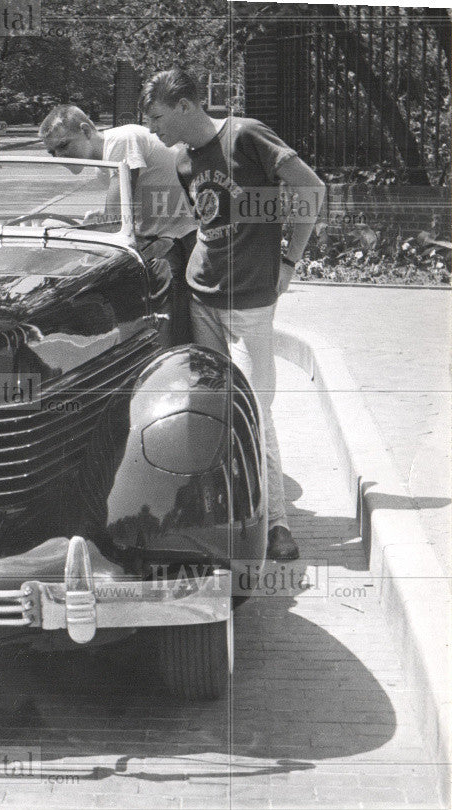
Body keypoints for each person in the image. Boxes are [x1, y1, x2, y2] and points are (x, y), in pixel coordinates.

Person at [140, 68, 326, 561]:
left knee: (256, 409)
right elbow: (208, 222)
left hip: (249, 304)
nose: (154, 129)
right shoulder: (182, 162)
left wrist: (289, 261)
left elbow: (312, 190)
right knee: (213, 406)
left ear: (184, 106)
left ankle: (276, 523)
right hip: (203, 296)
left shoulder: (245, 136)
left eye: (158, 116)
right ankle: (224, 512)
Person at [39, 106, 197, 343]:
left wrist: (70, 232)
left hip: (177, 242)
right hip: (158, 240)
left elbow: (114, 220)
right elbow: (128, 214)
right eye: (52, 152)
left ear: (85, 130)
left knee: (169, 336)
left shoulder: (122, 140)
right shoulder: (102, 167)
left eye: (63, 146)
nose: (59, 157)